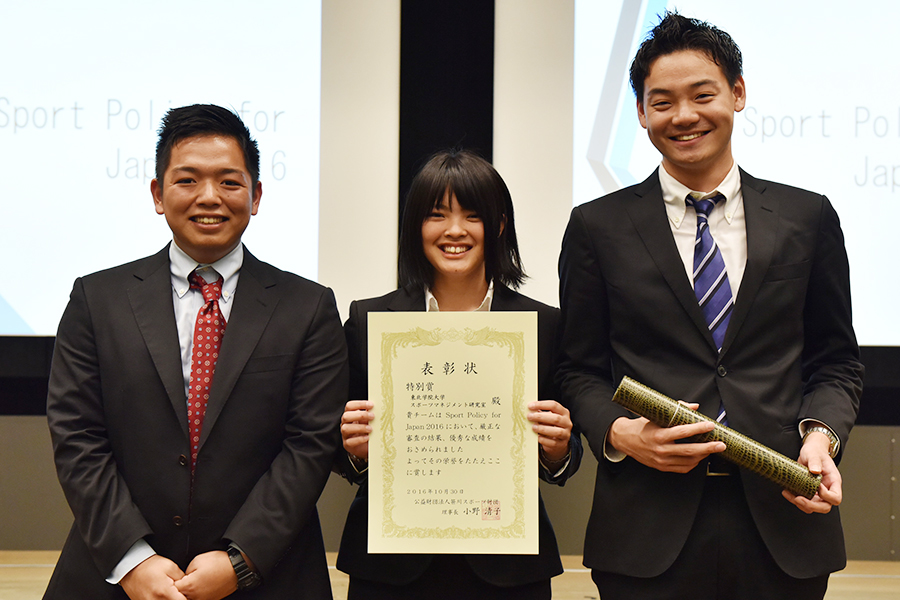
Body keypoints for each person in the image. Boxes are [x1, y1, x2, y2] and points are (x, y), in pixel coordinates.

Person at [557, 12, 863, 600]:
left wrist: (821, 437)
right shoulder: (597, 227)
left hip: (783, 519)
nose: (685, 116)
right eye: (662, 101)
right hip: (647, 529)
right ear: (642, 115)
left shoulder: (807, 218)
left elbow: (836, 361)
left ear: (738, 94)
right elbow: (577, 370)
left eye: (703, 94)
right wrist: (622, 433)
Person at [44, 104, 348, 600]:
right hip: (117, 578)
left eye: (229, 182)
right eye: (188, 180)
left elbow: (309, 444)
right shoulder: (96, 300)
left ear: (256, 196)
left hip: (267, 577)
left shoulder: (308, 306)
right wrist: (133, 561)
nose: (210, 197)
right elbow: (77, 436)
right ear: (158, 194)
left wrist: (241, 558)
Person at [335, 149, 582, 600]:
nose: (454, 231)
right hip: (390, 568)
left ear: (499, 224)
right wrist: (353, 448)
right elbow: (341, 449)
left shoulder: (544, 325)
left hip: (508, 570)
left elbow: (566, 461)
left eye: (473, 215)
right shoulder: (369, 320)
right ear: (416, 226)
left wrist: (558, 447)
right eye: (436, 215)